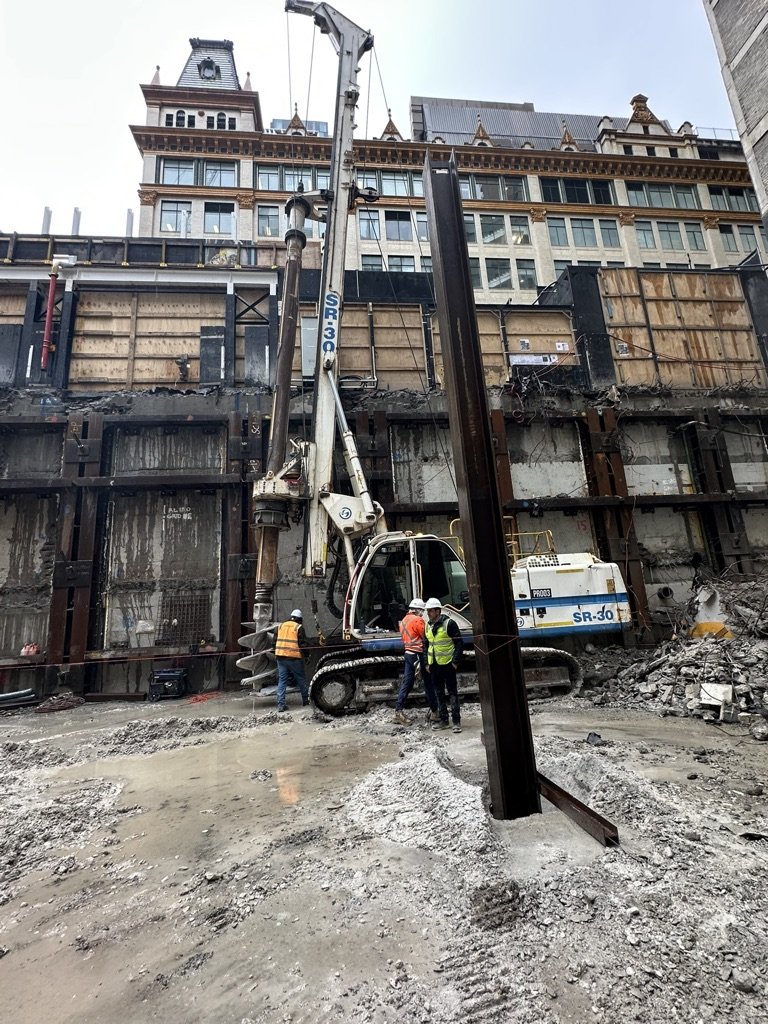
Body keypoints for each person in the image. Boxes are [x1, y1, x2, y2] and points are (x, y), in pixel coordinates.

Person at [392, 598, 438, 725]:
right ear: (417, 610)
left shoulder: (404, 620)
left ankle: (398, 711)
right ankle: (435, 712)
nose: (423, 613)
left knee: (407, 682)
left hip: (408, 654)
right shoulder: (418, 620)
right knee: (428, 683)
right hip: (418, 655)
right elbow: (426, 637)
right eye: (422, 610)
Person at [424, 597, 463, 733]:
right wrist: (426, 663)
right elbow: (426, 645)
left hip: (447, 664)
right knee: (439, 693)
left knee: (452, 693)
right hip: (434, 665)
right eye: (427, 610)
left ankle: (456, 721)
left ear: (437, 611)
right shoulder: (427, 625)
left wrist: (455, 662)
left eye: (430, 610)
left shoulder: (449, 624)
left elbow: (459, 643)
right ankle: (444, 720)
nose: (428, 613)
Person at [274, 609, 310, 712]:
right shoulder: (298, 627)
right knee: (301, 679)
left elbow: (274, 642)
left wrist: (276, 654)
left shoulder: (280, 626)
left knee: (282, 681)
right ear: (299, 619)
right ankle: (306, 701)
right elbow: (303, 645)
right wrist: (306, 656)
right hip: (294, 658)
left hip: (280, 658)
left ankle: (281, 705)